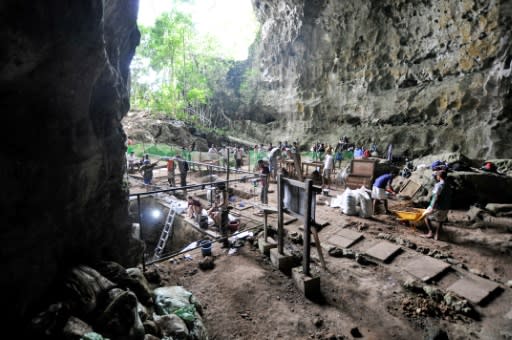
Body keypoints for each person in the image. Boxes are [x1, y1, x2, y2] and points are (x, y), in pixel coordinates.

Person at [422, 170, 451, 240]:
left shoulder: (438, 185)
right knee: (440, 220)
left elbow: (436, 197)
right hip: (446, 206)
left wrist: (432, 206)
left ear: (439, 176)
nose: (436, 177)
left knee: (426, 217)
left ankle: (430, 232)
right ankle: (437, 235)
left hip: (438, 206)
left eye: (437, 176)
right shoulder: (448, 185)